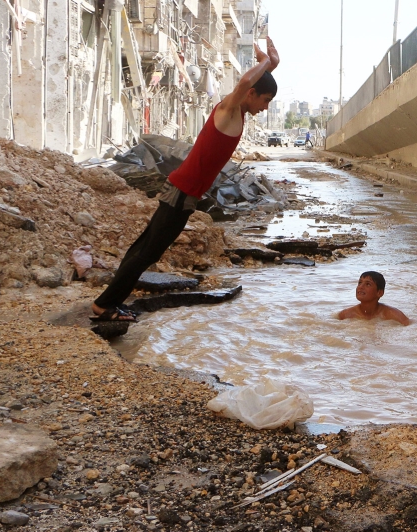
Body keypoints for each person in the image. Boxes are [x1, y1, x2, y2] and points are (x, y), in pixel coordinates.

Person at [91, 39, 280, 321]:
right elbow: (243, 83)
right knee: (147, 254)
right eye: (265, 100)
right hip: (181, 192)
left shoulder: (235, 113)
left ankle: (110, 302)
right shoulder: (228, 111)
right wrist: (266, 63)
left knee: (142, 249)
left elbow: (247, 85)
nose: (265, 108)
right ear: (251, 94)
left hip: (183, 191)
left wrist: (270, 66)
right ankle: (105, 305)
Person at [338, 271, 411, 326]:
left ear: (379, 293)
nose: (361, 287)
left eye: (368, 284)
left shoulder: (393, 315)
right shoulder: (345, 315)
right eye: (360, 283)